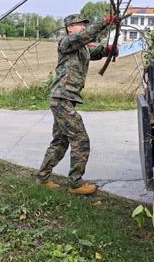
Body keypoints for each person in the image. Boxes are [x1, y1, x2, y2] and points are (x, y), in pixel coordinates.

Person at [36, 12, 121, 195]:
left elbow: (95, 51)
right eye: (80, 24)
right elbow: (84, 36)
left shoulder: (81, 47)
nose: (83, 26)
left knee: (60, 141)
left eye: (84, 24)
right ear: (70, 28)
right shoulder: (66, 42)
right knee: (80, 139)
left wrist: (109, 49)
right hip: (62, 98)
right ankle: (75, 183)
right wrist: (104, 23)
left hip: (67, 98)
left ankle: (42, 178)